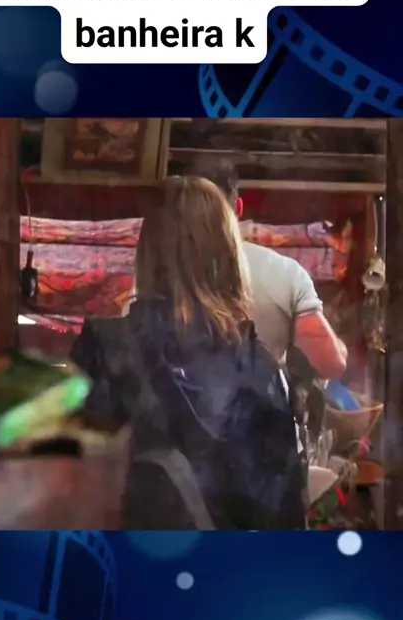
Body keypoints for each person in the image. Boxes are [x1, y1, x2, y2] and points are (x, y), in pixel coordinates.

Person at [71, 176, 307, 530]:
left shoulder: (104, 349)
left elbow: (64, 497)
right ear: (228, 254)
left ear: (148, 252)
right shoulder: (262, 370)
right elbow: (287, 521)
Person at [192, 157, 348, 380]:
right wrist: (339, 347)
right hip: (258, 400)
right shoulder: (285, 274)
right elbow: (332, 364)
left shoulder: (156, 271)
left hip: (177, 401)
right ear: (238, 208)